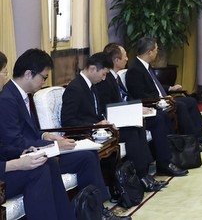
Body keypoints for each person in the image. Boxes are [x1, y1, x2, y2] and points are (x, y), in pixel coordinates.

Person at [0, 49, 128, 220]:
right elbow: (13, 143)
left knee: (84, 157)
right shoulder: (8, 99)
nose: (5, 76)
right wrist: (52, 147)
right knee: (44, 166)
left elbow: (26, 131)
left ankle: (93, 212)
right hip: (17, 158)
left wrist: (46, 136)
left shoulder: (20, 96)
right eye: (44, 77)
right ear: (29, 74)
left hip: (31, 150)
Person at [61, 52, 172, 191]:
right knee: (131, 133)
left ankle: (143, 175)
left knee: (136, 127)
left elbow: (98, 110)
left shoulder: (91, 84)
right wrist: (96, 124)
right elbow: (67, 121)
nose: (104, 78)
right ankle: (140, 178)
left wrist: (104, 120)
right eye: (103, 74)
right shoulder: (75, 88)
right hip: (87, 132)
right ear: (92, 69)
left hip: (101, 127)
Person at [95, 43, 187, 177]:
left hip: (127, 113)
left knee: (160, 116)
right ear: (116, 60)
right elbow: (110, 106)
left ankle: (166, 159)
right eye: (125, 56)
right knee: (157, 119)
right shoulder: (105, 80)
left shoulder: (114, 77)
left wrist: (138, 108)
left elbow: (125, 98)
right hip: (117, 118)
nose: (127, 59)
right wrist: (136, 109)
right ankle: (161, 164)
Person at [125, 37, 202, 147]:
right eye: (156, 50)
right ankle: (192, 143)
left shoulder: (145, 65)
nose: (157, 52)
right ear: (149, 52)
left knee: (191, 101)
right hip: (153, 103)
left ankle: (199, 136)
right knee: (181, 106)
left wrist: (170, 88)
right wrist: (161, 100)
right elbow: (139, 94)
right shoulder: (135, 70)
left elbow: (154, 85)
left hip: (162, 99)